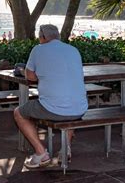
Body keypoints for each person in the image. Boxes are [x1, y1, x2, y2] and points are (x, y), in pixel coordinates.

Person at [14, 24, 88, 169]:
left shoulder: (38, 50)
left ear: (42, 37)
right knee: (70, 104)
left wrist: (26, 72)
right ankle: (65, 149)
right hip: (80, 108)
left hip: (54, 109)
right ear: (57, 36)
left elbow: (30, 77)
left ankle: (41, 153)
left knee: (19, 113)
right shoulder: (73, 50)